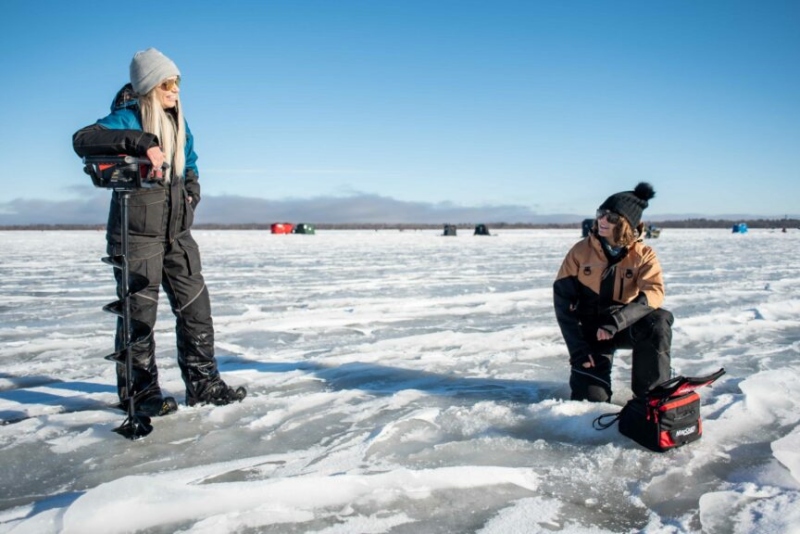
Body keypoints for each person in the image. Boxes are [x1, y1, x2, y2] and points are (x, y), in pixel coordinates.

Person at [73, 48, 246, 413]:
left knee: (196, 309)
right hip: (136, 235)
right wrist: (142, 142)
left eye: (178, 83)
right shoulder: (127, 118)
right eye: (168, 83)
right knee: (139, 316)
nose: (175, 90)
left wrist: (191, 193)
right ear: (150, 86)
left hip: (177, 235)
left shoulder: (179, 124)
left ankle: (203, 384)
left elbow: (192, 163)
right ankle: (140, 394)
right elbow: (83, 139)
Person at [553, 182, 672, 402]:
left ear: (627, 223)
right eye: (601, 214)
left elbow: (654, 293)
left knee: (659, 320)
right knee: (590, 403)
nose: (602, 220)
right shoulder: (580, 251)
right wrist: (578, 350)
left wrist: (617, 321)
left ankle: (651, 396)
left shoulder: (643, 254)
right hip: (592, 330)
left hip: (624, 324)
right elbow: (563, 304)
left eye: (612, 217)